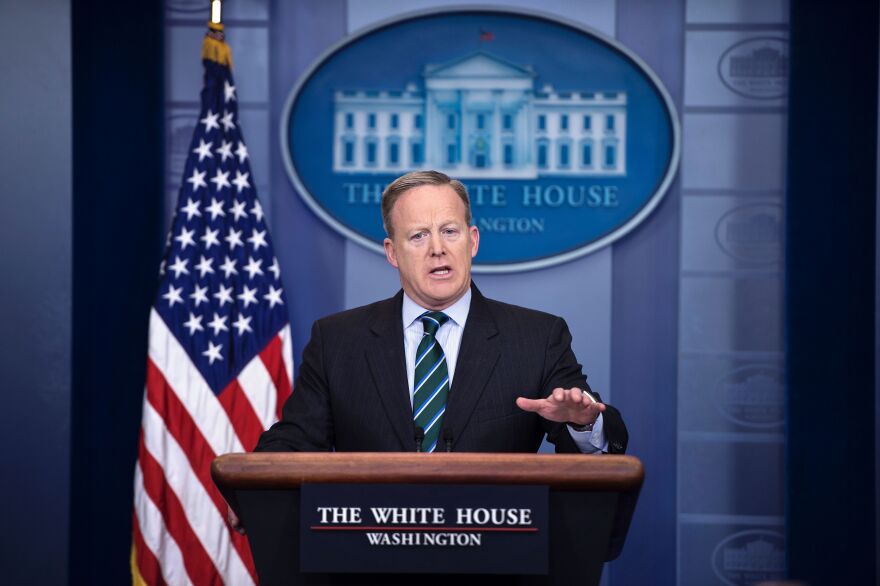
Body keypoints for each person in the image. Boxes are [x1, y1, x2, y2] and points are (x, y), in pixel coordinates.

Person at [255, 170, 627, 455]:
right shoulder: (337, 341)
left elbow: (595, 439)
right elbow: (296, 440)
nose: (437, 248)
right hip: (371, 548)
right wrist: (250, 488)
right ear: (392, 252)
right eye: (418, 236)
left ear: (473, 241)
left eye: (450, 231)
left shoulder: (538, 338)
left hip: (496, 548)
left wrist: (584, 421)